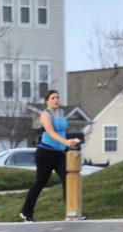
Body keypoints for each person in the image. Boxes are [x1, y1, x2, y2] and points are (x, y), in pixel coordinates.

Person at [19, 89, 81, 222]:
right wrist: (66, 142)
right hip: (45, 153)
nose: (56, 100)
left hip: (59, 153)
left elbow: (62, 131)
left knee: (68, 179)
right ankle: (26, 212)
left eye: (57, 97)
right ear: (47, 101)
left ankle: (72, 211)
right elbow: (51, 133)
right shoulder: (45, 115)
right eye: (53, 98)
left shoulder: (60, 113)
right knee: (40, 182)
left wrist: (69, 141)